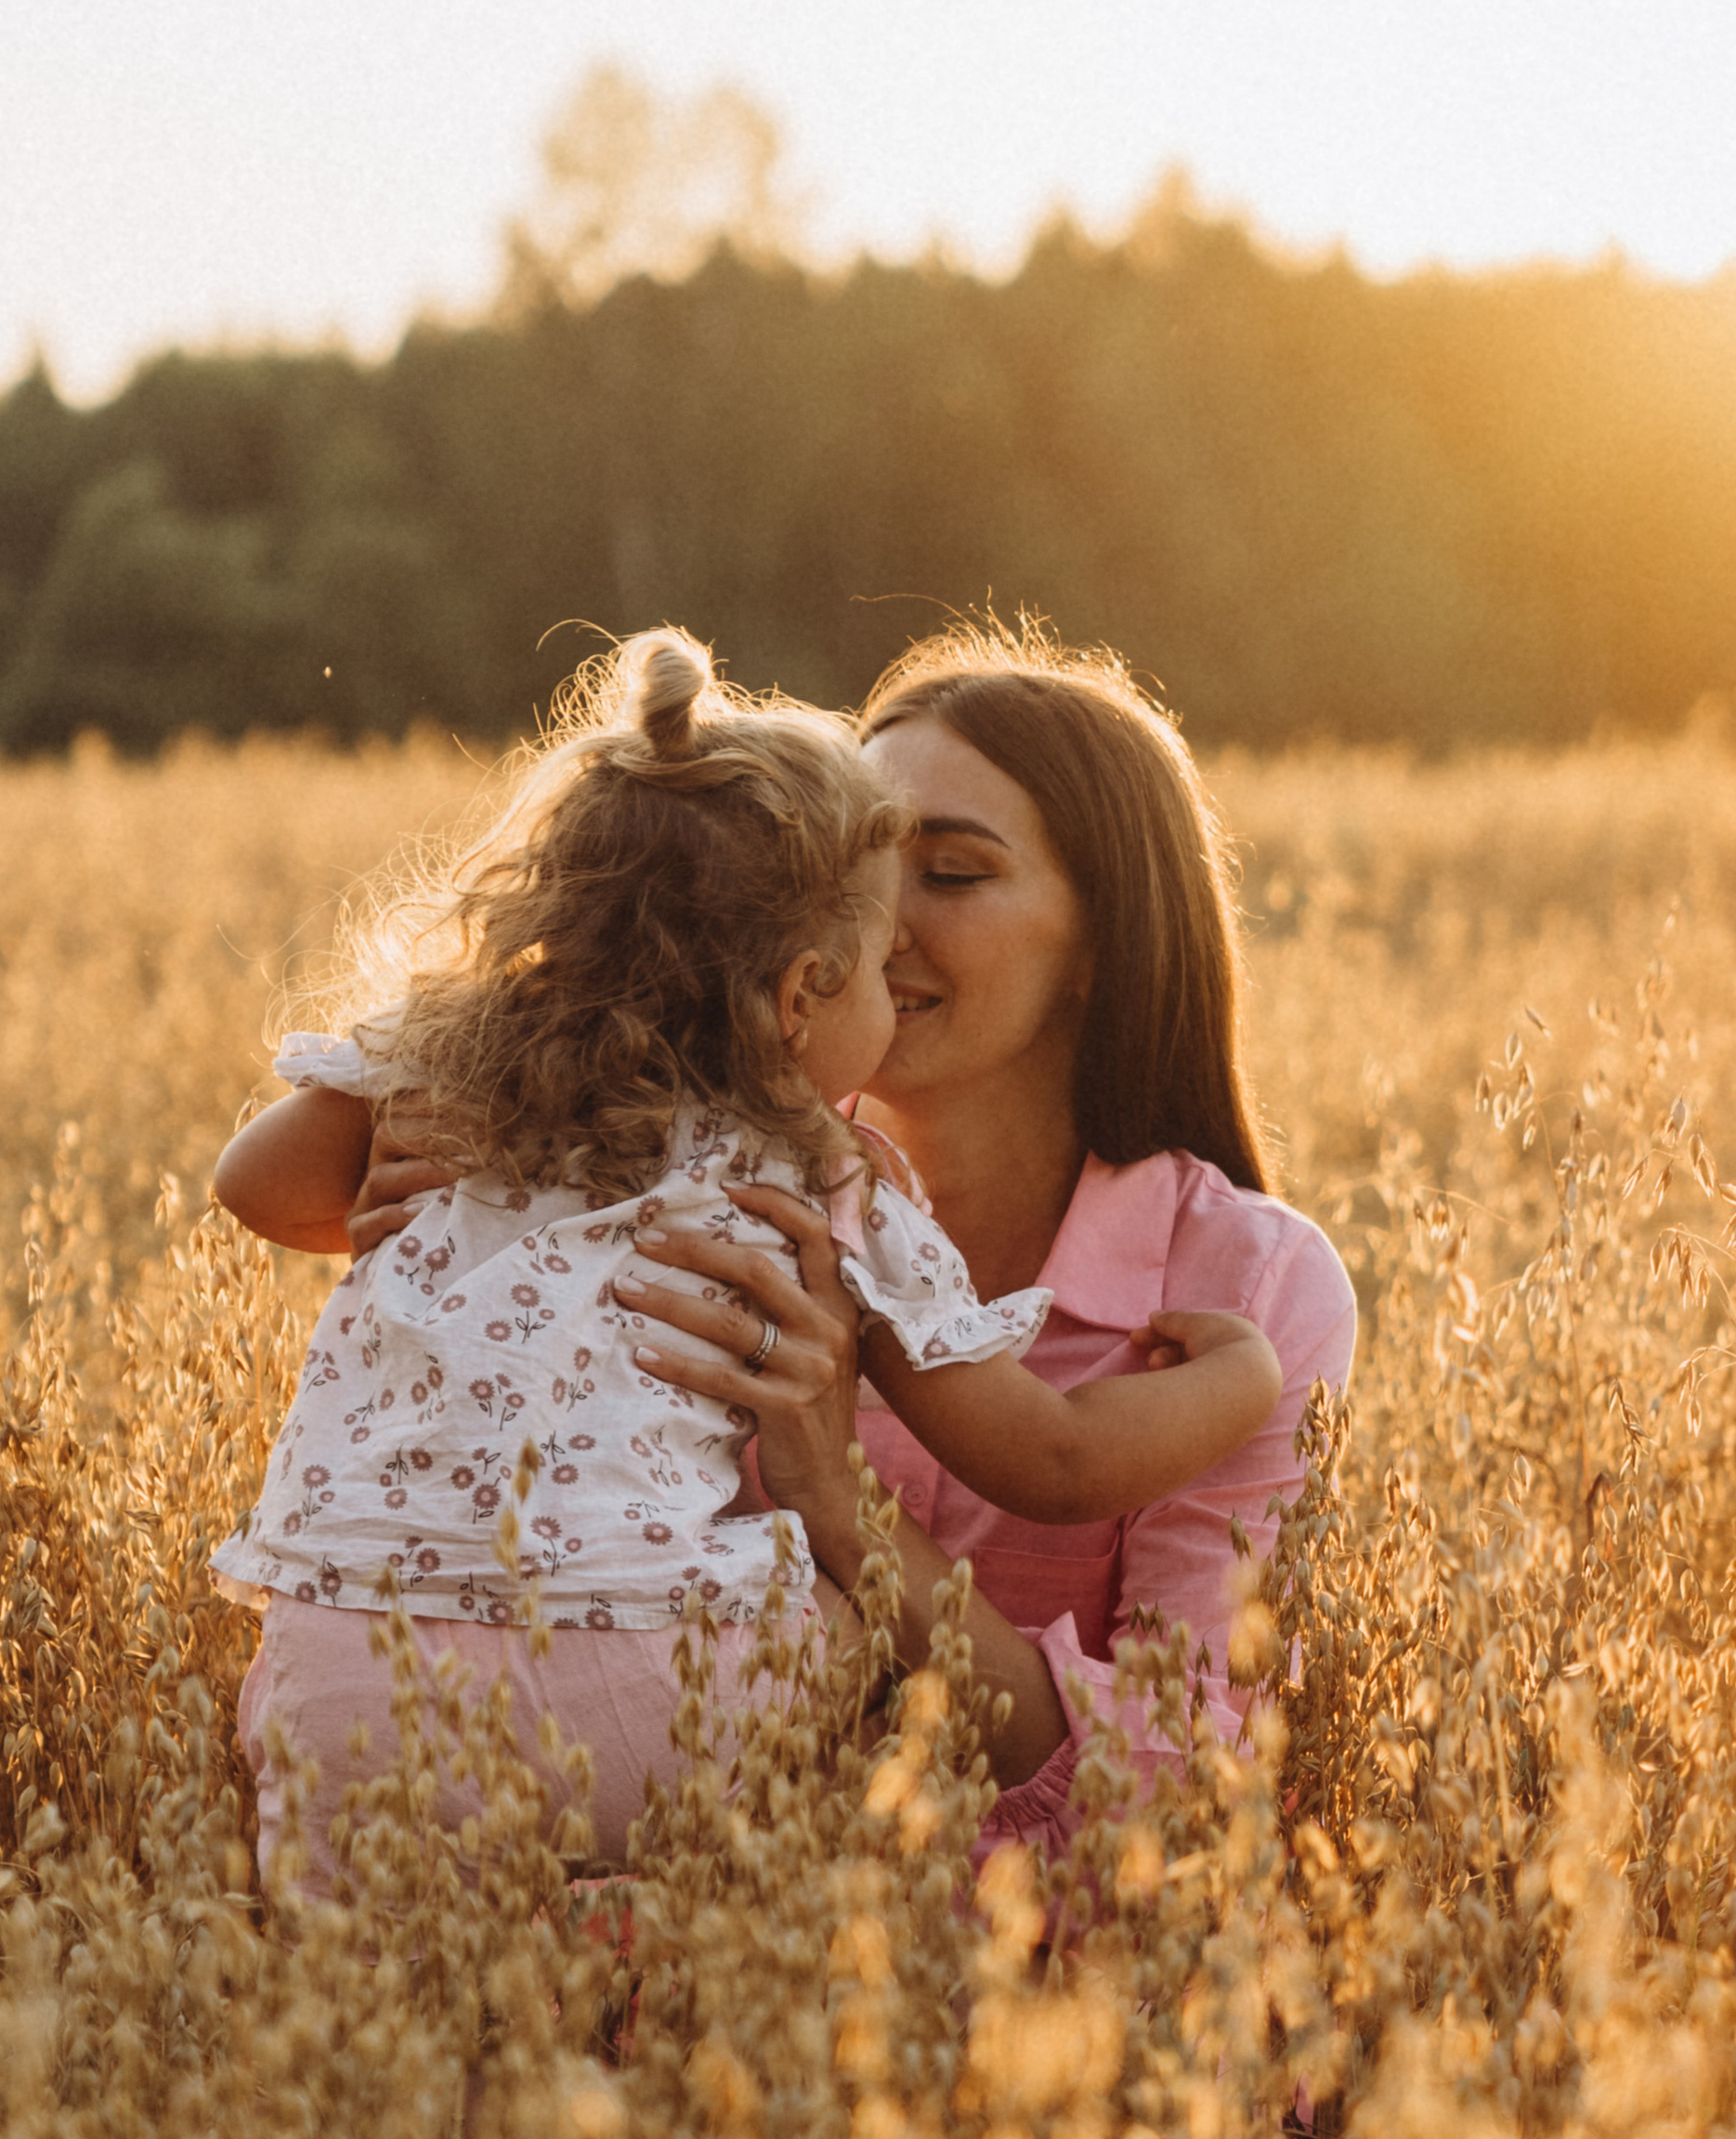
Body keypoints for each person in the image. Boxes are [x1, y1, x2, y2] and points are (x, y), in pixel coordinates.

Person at [210, 629, 1286, 1891]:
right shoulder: (815, 1183)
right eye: (871, 910)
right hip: (652, 1707)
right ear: (800, 991)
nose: (896, 939)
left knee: (360, 1973)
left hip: (339, 1685)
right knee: (840, 1654)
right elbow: (1055, 1459)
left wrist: (399, 1159)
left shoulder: (471, 1084)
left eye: (952, 873)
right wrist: (1241, 1379)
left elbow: (252, 1185)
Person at [576, 625, 1360, 1863]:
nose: (871, 925)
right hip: (678, 1933)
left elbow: (1174, 1804)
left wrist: (845, 1511)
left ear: (1104, 937)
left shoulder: (1248, 1288)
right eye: (843, 866)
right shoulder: (684, 1180)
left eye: (950, 873)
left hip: (1035, 1970)